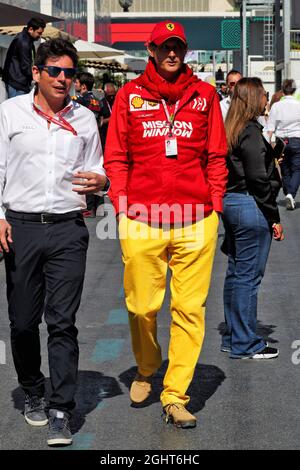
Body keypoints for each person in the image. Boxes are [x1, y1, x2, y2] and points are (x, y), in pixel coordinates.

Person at [104, 20, 228, 428]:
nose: (172, 53)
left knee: (189, 309)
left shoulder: (205, 95)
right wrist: (121, 206)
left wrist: (215, 204)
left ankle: (175, 394)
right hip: (142, 218)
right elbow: (117, 155)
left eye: (178, 46)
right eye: (164, 47)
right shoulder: (129, 95)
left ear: (185, 51)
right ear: (151, 51)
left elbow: (216, 155)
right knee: (142, 306)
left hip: (196, 219)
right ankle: (146, 366)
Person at [0, 38, 109, 446]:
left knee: (61, 322)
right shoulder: (9, 113)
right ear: (36, 73)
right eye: (56, 71)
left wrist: (103, 181)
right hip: (21, 227)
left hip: (67, 228)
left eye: (70, 73)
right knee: (24, 322)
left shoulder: (83, 118)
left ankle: (62, 408)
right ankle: (33, 390)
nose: (64, 79)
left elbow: (95, 167)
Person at [221, 77, 284, 360]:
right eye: (264, 94)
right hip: (249, 205)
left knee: (236, 273)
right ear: (253, 98)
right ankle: (245, 342)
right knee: (248, 277)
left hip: (233, 202)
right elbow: (259, 177)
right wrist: (273, 215)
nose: (266, 99)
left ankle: (234, 336)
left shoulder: (233, 129)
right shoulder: (250, 131)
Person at [72, 72, 103, 217]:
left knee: (86, 171)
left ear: (83, 86)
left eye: (76, 83)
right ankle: (98, 205)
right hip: (98, 135)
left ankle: (88, 207)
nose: (75, 85)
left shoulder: (80, 101)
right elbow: (101, 120)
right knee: (97, 169)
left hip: (83, 138)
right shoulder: (98, 100)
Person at [267, 79, 300, 210]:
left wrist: (269, 144)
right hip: (297, 139)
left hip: (281, 141)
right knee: (297, 169)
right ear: (294, 90)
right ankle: (291, 194)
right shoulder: (298, 105)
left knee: (285, 169)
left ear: (282, 90)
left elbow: (270, 128)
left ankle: (288, 193)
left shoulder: (276, 106)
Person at [2, 17, 46, 98]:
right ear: (31, 29)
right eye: (39, 33)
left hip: (18, 82)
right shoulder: (23, 42)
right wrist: (38, 77)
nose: (40, 36)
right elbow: (25, 66)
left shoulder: (26, 39)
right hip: (17, 84)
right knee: (17, 109)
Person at [98, 82, 117, 149]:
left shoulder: (117, 101)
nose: (112, 97)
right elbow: (99, 123)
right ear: (104, 93)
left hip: (116, 136)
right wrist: (110, 119)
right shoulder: (100, 104)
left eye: (113, 95)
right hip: (105, 137)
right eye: (109, 96)